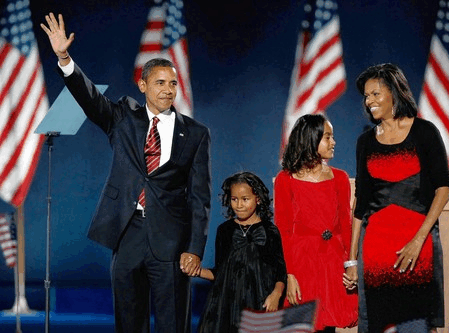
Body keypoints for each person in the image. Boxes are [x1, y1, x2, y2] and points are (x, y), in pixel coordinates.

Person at [41, 13, 211, 333]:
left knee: (173, 324)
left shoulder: (196, 134)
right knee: (129, 323)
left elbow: (200, 198)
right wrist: (65, 58)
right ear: (143, 85)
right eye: (160, 82)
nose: (168, 89)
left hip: (172, 243)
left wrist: (194, 249)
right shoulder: (122, 117)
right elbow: (88, 96)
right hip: (128, 234)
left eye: (173, 83)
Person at [343, 63, 449, 333]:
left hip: (416, 247)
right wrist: (352, 259)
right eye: (366, 96)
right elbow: (361, 202)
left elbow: (443, 188)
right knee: (378, 324)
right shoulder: (365, 141)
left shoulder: (425, 132)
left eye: (376, 94)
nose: (369, 102)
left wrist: (419, 238)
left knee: (417, 324)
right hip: (375, 248)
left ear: (394, 92)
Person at [274, 114, 358, 332]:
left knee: (328, 325)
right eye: (327, 137)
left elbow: (346, 225)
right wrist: (289, 275)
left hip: (332, 262)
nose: (334, 142)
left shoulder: (339, 177)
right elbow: (282, 230)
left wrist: (351, 264)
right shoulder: (286, 179)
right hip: (302, 264)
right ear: (311, 139)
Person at [192, 171, 287, 333]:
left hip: (259, 303)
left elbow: (280, 271)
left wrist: (276, 295)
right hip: (226, 305)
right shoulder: (225, 230)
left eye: (245, 199)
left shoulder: (270, 231)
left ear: (257, 199)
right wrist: (197, 271)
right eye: (234, 199)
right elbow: (220, 273)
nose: (239, 205)